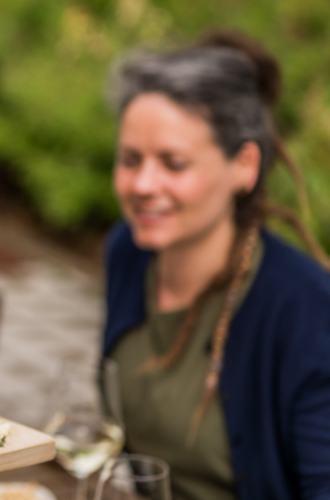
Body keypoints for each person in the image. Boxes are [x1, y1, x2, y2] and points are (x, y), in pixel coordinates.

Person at [102, 30, 330, 499]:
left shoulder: (304, 306)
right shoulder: (127, 251)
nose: (143, 183)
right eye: (130, 159)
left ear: (244, 166)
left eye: (174, 163)